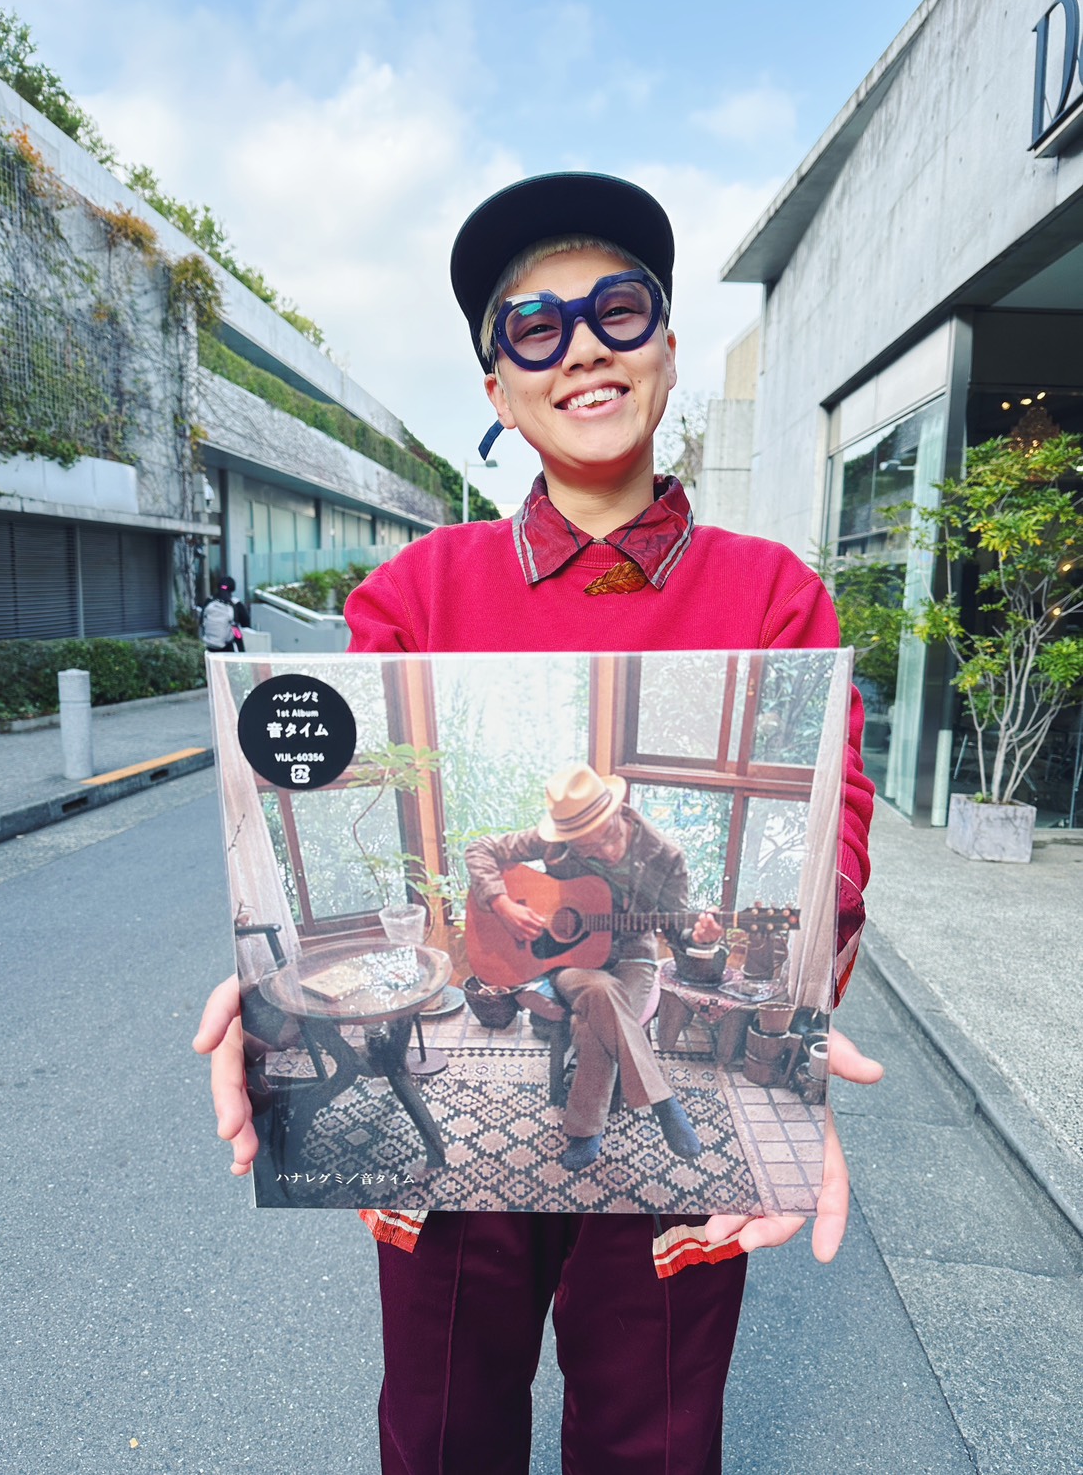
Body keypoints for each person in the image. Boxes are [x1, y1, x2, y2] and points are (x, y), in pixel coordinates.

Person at [195, 172, 883, 1474]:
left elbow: (823, 848)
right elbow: (346, 816)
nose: (582, 348)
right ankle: (608, 1112)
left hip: (646, 1018)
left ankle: (622, 1121)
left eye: (619, 311)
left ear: (666, 350)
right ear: (499, 388)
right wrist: (267, 976)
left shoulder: (775, 597)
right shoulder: (413, 593)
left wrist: (789, 1020)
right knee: (442, 1428)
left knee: (654, 1439)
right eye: (535, 327)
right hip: (486, 1103)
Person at [465, 760, 726, 1170]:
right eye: (587, 849)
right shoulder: (555, 841)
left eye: (607, 837)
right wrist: (502, 904)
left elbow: (678, 931)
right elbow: (479, 849)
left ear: (617, 811)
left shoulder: (665, 856)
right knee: (601, 991)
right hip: (569, 960)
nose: (604, 851)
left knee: (594, 1022)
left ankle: (586, 1130)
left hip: (632, 956)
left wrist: (700, 939)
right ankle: (662, 1101)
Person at [199, 574, 249, 653]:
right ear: (232, 589)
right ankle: (242, 657)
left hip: (209, 645)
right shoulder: (236, 604)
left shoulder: (209, 601)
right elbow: (246, 623)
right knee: (236, 630)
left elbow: (201, 621)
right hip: (227, 646)